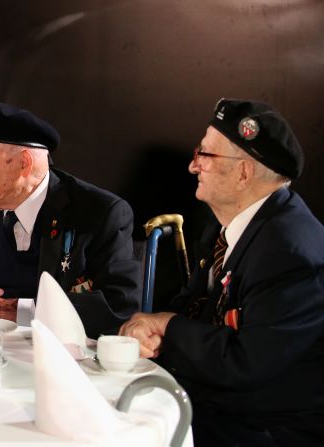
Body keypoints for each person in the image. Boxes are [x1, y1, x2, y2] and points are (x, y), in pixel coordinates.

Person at [119, 98, 324, 446]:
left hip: (269, 430)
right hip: (224, 406)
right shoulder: (233, 225)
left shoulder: (290, 252)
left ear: (244, 172)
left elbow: (249, 362)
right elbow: (196, 303)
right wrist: (150, 330)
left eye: (205, 155)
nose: (192, 166)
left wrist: (167, 325)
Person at [0, 102, 141, 338]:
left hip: (60, 358)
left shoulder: (98, 213)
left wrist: (23, 311)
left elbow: (120, 306)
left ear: (24, 163)